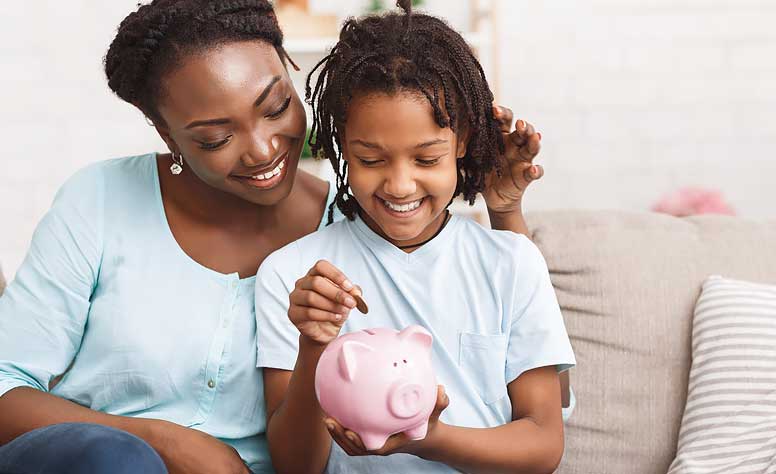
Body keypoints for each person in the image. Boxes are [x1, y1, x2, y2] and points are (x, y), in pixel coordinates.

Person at [0, 1, 545, 473]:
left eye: (277, 106)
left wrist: (504, 209)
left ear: (290, 68)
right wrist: (168, 444)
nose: (263, 151)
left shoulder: (356, 227)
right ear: (167, 135)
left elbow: (497, 346)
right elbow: (6, 387)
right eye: (215, 138)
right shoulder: (99, 200)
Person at [255, 2, 576, 473]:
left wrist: (430, 438)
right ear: (343, 143)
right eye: (371, 159)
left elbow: (544, 444)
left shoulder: (510, 261)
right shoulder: (294, 277)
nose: (400, 185)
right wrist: (313, 346)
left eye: (426, 159)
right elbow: (293, 465)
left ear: (462, 141)